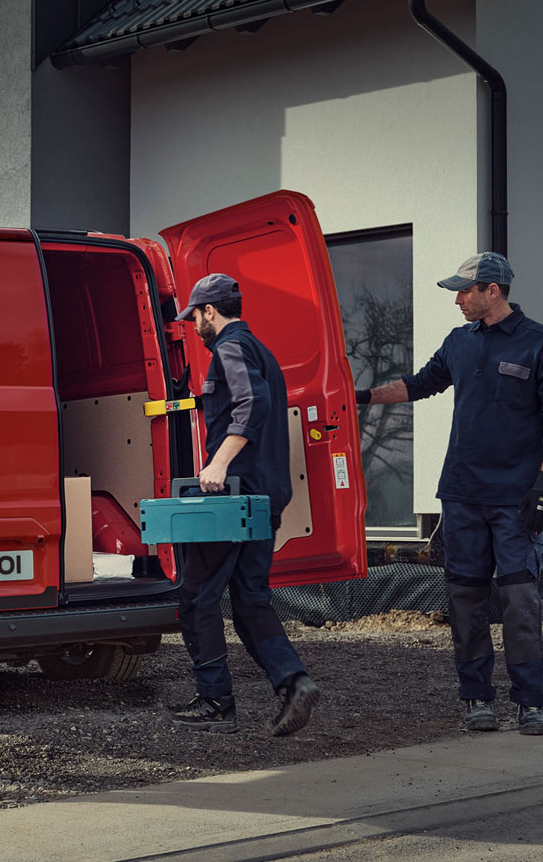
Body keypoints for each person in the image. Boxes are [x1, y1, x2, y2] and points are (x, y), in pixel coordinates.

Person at [356, 252, 543, 736]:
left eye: (465, 290)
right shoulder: (459, 342)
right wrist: (360, 397)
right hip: (461, 495)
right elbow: (418, 386)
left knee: (520, 601)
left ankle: (530, 703)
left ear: (492, 290)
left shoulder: (541, 342)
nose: (457, 299)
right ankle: (476, 698)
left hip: (516, 499)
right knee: (466, 601)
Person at [165, 273, 321, 737]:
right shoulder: (262, 351)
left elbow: (251, 404)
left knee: (196, 599)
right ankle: (294, 683)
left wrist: (217, 463)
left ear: (209, 311)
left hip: (231, 498)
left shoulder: (230, 348)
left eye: (194, 316)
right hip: (264, 498)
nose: (193, 325)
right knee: (251, 600)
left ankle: (215, 703)